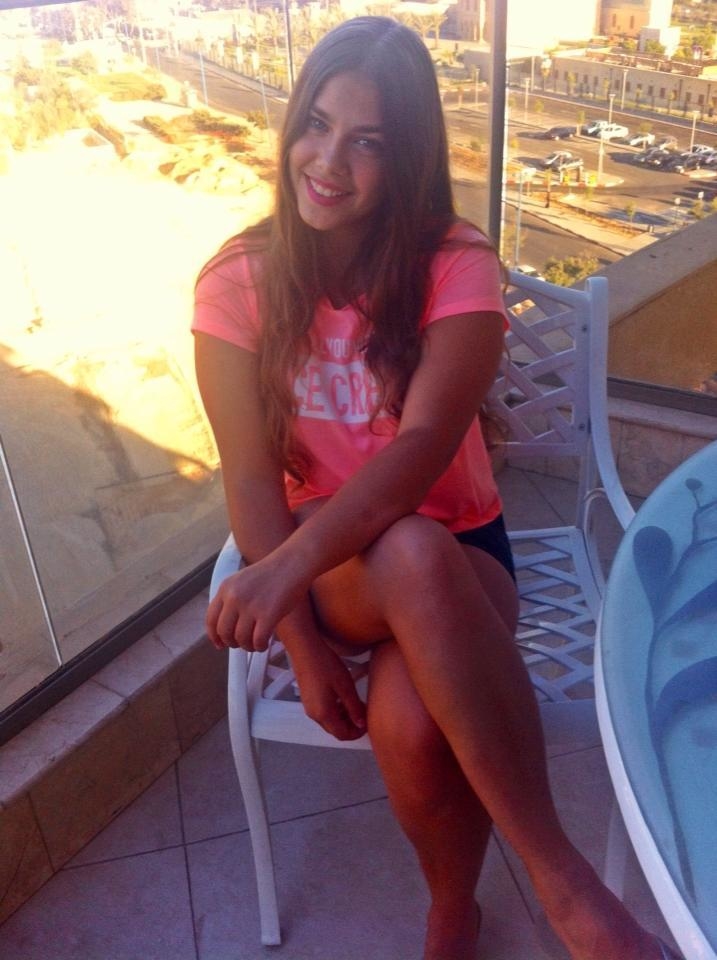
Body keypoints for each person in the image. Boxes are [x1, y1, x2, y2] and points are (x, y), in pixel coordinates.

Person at [192, 17, 680, 960]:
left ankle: (454, 906)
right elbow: (249, 475)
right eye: (316, 124)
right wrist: (302, 639)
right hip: (327, 575)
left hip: (458, 549)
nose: (328, 161)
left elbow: (421, 448)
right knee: (405, 549)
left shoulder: (455, 263)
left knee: (410, 715)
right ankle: (567, 890)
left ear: (407, 157)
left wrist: (279, 573)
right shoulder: (237, 281)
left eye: (367, 141)